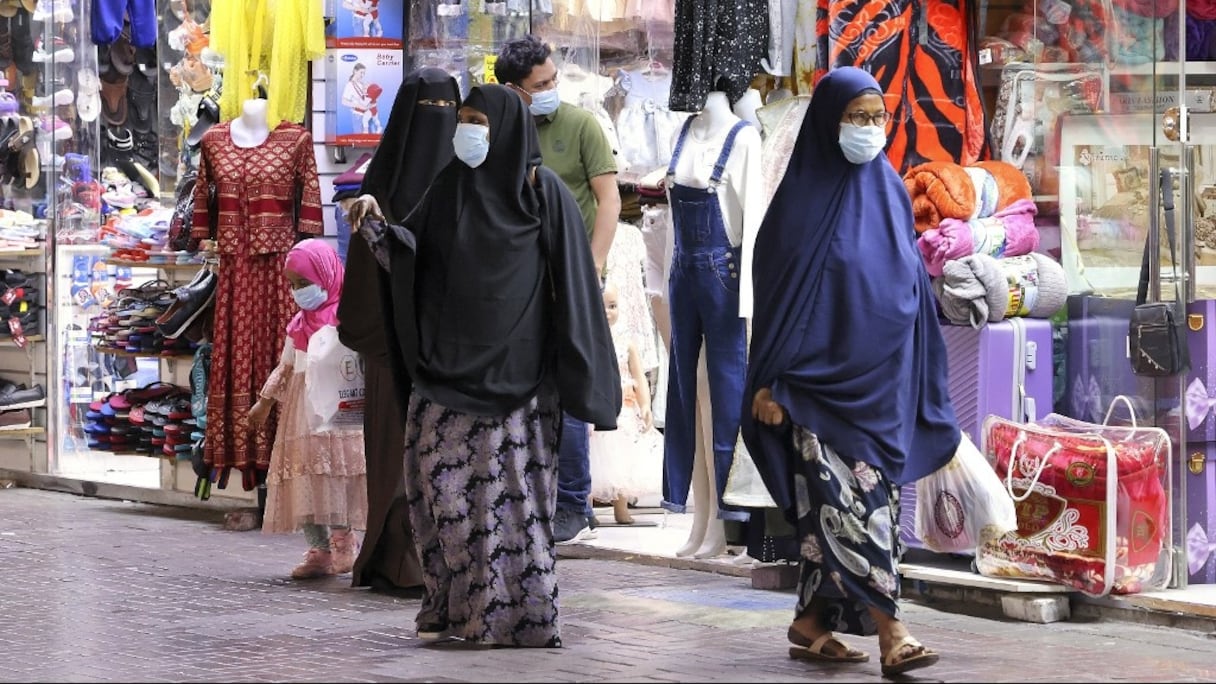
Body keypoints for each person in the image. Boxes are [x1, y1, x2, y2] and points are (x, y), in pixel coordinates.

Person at [356, 84, 620, 647]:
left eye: (478, 120)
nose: (467, 130)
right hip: (446, 376)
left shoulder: (542, 193)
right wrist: (377, 225)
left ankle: (520, 621)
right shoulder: (452, 184)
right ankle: (458, 612)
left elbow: (574, 283)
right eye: (463, 118)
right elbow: (411, 257)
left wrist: (587, 374)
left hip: (521, 385)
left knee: (515, 508)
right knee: (443, 501)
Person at [740, 67, 957, 677]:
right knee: (852, 511)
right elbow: (782, 304)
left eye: (875, 118)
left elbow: (912, 292)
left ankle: (811, 624)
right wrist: (773, 384)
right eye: (855, 118)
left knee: (853, 509)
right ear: (827, 121)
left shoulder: (888, 190)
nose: (867, 130)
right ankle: (894, 631)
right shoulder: (798, 207)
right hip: (813, 392)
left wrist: (918, 379)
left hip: (880, 389)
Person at [496, 33, 622, 545]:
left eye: (553, 80)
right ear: (515, 90)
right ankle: (536, 494)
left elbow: (609, 199)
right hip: (522, 280)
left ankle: (574, 500)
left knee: (571, 383)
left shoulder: (579, 124)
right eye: (540, 84)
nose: (551, 90)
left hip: (574, 274)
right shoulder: (502, 129)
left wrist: (592, 267)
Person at [339, 67, 460, 596]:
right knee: (393, 458)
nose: (441, 124)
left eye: (448, 112)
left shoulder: (464, 181)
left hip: (450, 350)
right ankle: (397, 560)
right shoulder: (379, 189)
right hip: (391, 347)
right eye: (429, 112)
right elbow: (368, 277)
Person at [249, 239, 368, 580]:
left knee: (337, 476)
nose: (298, 292)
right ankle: (319, 550)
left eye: (304, 283)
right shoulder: (299, 324)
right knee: (307, 475)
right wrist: (264, 401)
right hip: (302, 410)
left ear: (326, 276)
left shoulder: (347, 318)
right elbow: (286, 366)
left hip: (338, 409)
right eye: (293, 285)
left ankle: (345, 541)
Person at [588, 282, 662, 525]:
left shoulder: (626, 341)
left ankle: (621, 508)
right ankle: (586, 509)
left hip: (625, 409)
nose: (608, 312)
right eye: (603, 306)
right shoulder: (588, 338)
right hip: (598, 407)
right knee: (593, 460)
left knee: (621, 460)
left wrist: (645, 405)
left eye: (613, 306)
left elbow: (639, 376)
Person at [341, 63, 374, 134]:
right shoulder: (349, 85)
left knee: (367, 138)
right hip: (357, 115)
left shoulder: (362, 84)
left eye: (364, 73)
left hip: (367, 114)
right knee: (359, 139)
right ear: (355, 71)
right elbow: (344, 101)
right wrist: (358, 105)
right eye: (361, 72)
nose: (362, 75)